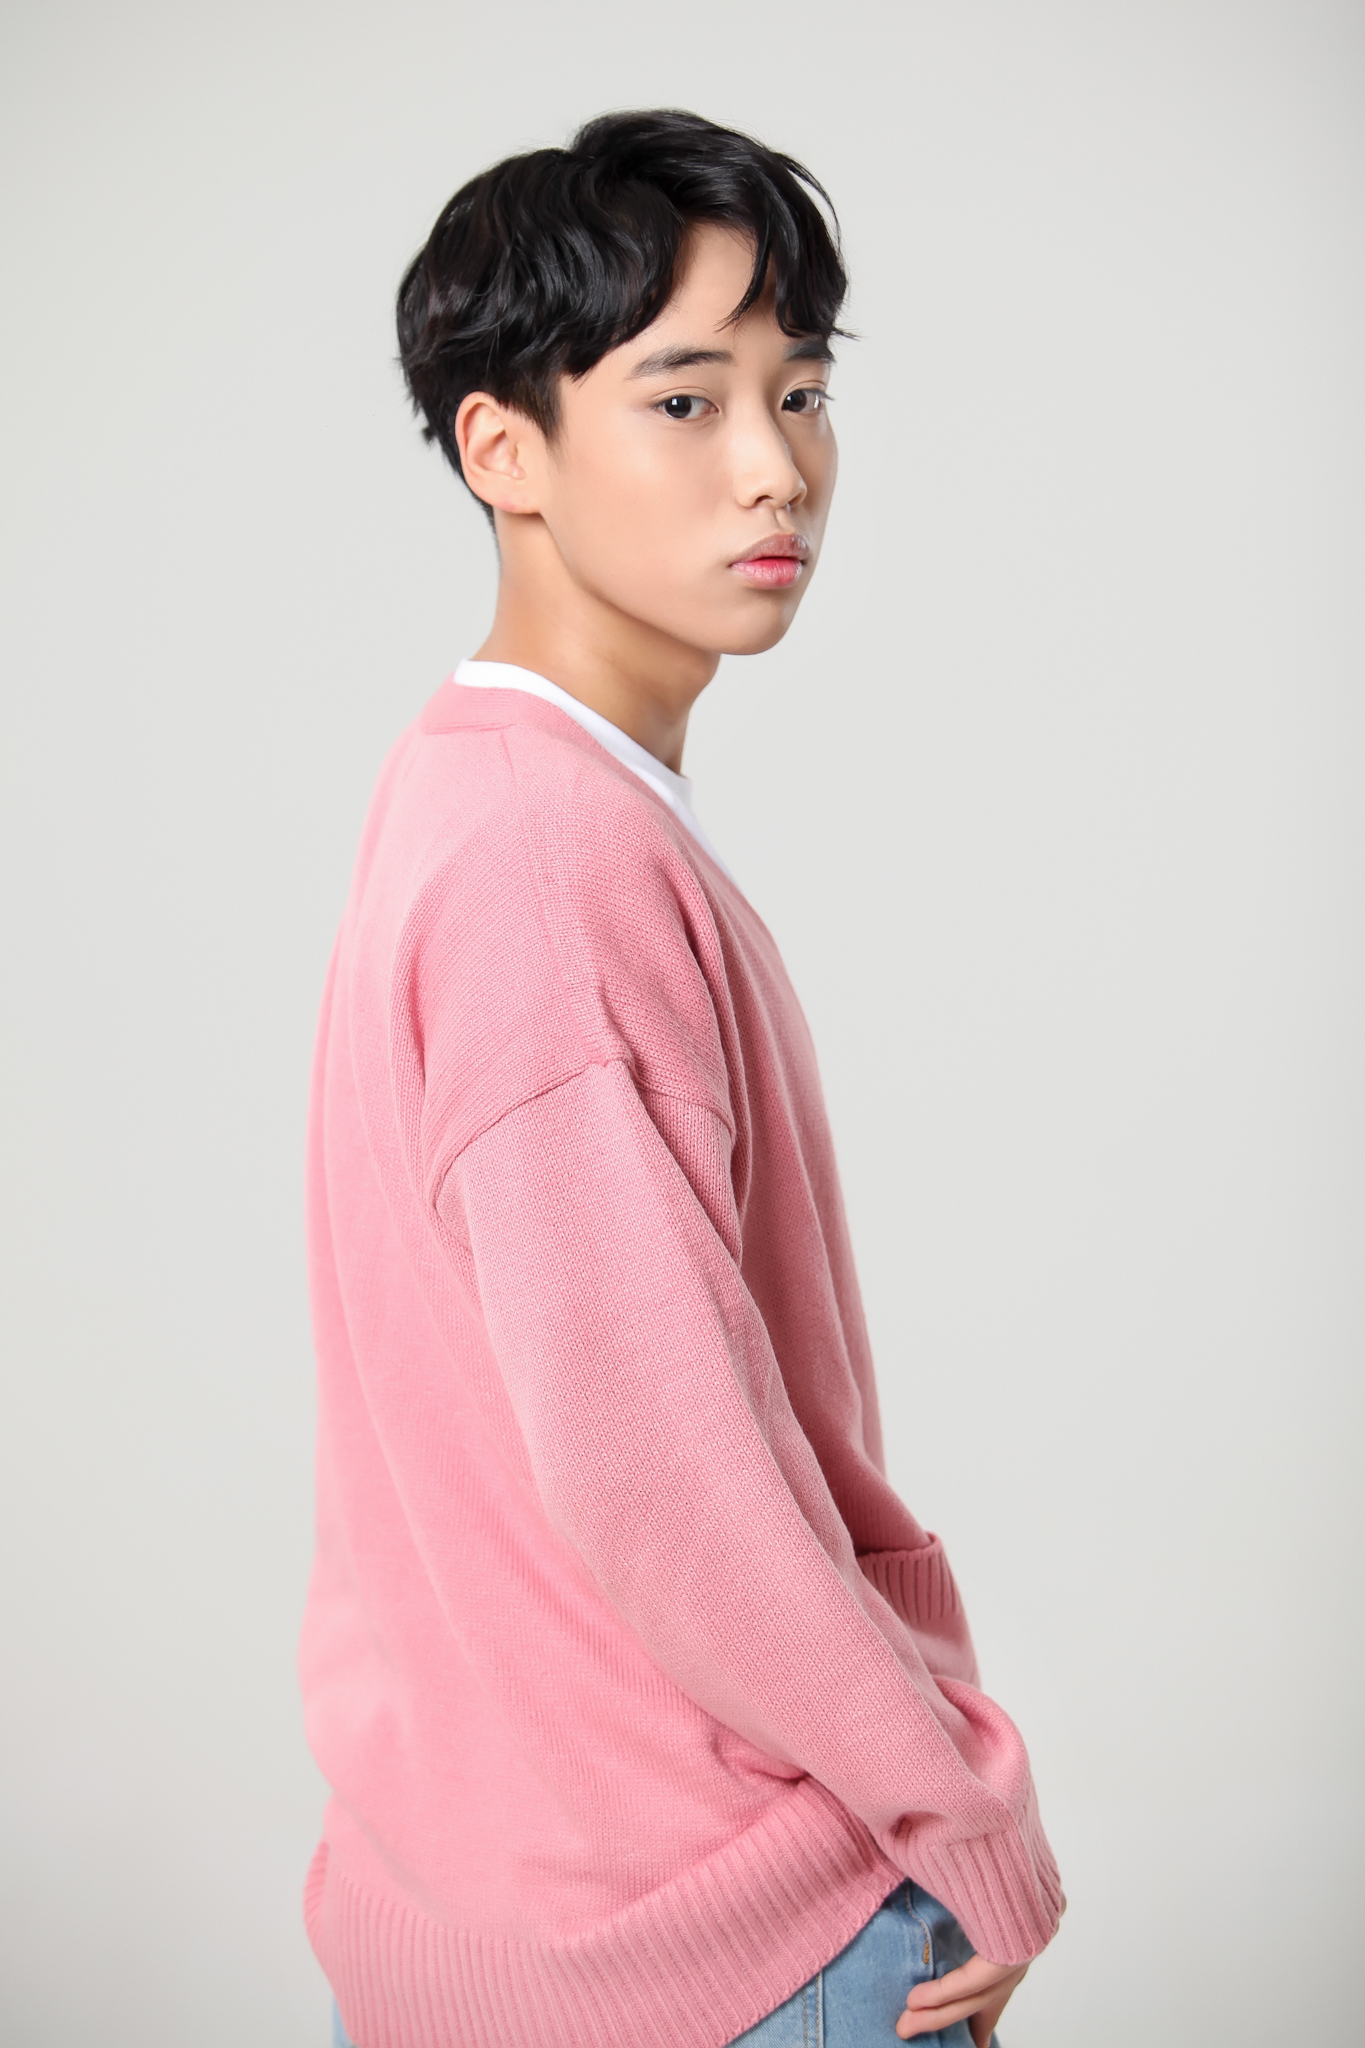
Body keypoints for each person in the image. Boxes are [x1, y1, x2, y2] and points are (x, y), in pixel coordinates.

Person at [299, 109, 1063, 2048]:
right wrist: (952, 1815)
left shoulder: (480, 794)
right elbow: (659, 1468)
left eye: (798, 392)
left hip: (508, 1907)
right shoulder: (549, 859)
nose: (772, 464)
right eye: (683, 400)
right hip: (722, 1938)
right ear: (504, 449)